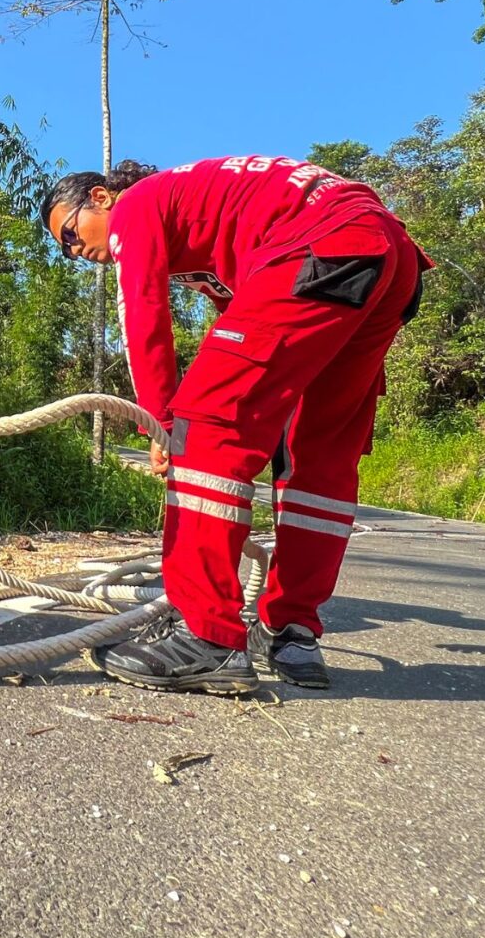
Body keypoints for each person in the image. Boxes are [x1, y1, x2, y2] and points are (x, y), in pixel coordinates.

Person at [42, 155, 431, 694]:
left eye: (68, 232)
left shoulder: (137, 206)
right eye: (64, 249)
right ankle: (291, 631)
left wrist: (161, 422)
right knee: (316, 450)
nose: (73, 251)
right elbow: (248, 314)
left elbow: (143, 315)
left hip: (324, 243)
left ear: (102, 198)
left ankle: (206, 637)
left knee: (206, 421)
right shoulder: (202, 216)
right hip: (387, 259)